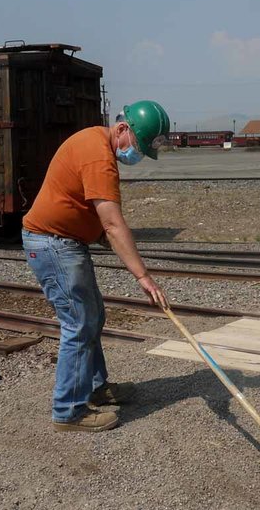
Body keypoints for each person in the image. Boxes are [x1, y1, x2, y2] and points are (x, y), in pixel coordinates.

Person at [22, 101, 171, 432]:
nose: (137, 155)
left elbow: (96, 221)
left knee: (92, 317)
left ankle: (95, 388)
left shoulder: (95, 143)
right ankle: (69, 411)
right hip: (52, 243)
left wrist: (111, 242)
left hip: (63, 242)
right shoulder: (98, 156)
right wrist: (144, 277)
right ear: (121, 129)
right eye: (138, 145)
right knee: (79, 322)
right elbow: (113, 225)